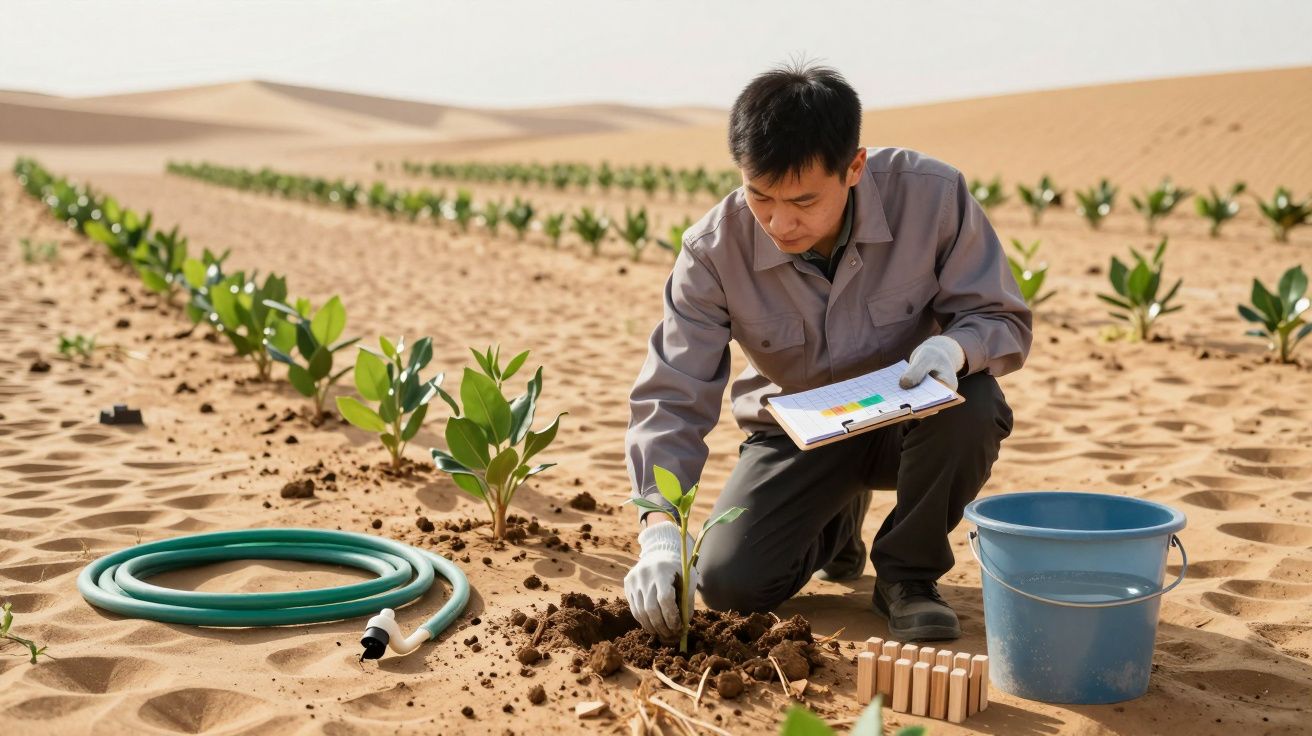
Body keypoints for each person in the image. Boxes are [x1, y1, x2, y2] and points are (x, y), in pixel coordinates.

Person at [622, 61, 1031, 642]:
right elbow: (672, 394)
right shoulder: (713, 250)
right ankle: (838, 526)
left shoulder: (932, 196)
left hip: (912, 421)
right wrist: (661, 530)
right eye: (759, 196)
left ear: (854, 167)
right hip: (797, 429)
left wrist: (954, 349)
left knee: (976, 401)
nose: (779, 223)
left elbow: (1001, 316)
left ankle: (908, 577)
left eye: (804, 201)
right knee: (729, 583)